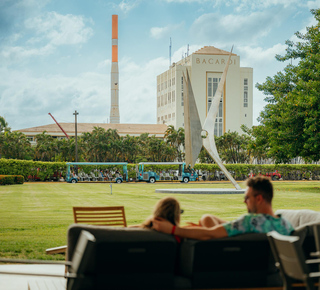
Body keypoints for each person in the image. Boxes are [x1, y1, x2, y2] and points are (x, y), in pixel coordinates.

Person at [152, 176, 294, 240]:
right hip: (273, 276)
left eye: (247, 198)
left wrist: (172, 229)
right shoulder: (286, 225)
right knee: (207, 218)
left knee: (207, 221)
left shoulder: (250, 222)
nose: (244, 202)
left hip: (240, 274)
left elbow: (210, 234)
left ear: (259, 198)